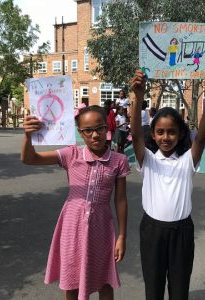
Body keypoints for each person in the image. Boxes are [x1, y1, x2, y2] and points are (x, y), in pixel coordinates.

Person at [21, 105, 130, 300]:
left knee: (105, 282)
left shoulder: (119, 160)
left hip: (102, 229)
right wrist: (28, 136)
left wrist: (122, 236)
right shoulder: (71, 154)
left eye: (100, 128)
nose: (95, 135)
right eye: (88, 130)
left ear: (107, 128)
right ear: (80, 133)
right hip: (71, 227)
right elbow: (30, 159)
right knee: (71, 283)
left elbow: (120, 200)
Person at [131, 69, 205, 300]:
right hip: (152, 231)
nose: (165, 137)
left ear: (181, 134)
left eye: (172, 132)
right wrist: (138, 98)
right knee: (154, 289)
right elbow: (137, 137)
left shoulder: (187, 161)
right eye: (160, 132)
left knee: (179, 290)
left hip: (182, 231)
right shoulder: (147, 160)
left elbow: (201, 137)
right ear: (153, 133)